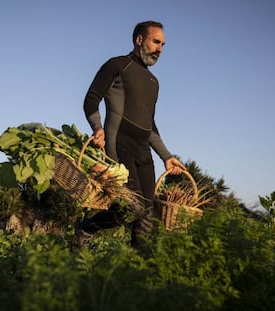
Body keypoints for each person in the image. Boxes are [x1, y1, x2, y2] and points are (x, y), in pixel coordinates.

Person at [71, 20, 186, 250]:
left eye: (163, 44)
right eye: (156, 42)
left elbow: (149, 125)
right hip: (119, 143)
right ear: (139, 39)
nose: (160, 49)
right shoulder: (118, 65)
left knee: (147, 215)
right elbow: (91, 99)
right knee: (133, 207)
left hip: (143, 151)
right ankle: (86, 229)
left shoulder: (154, 82)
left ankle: (137, 269)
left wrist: (166, 156)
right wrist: (97, 128)